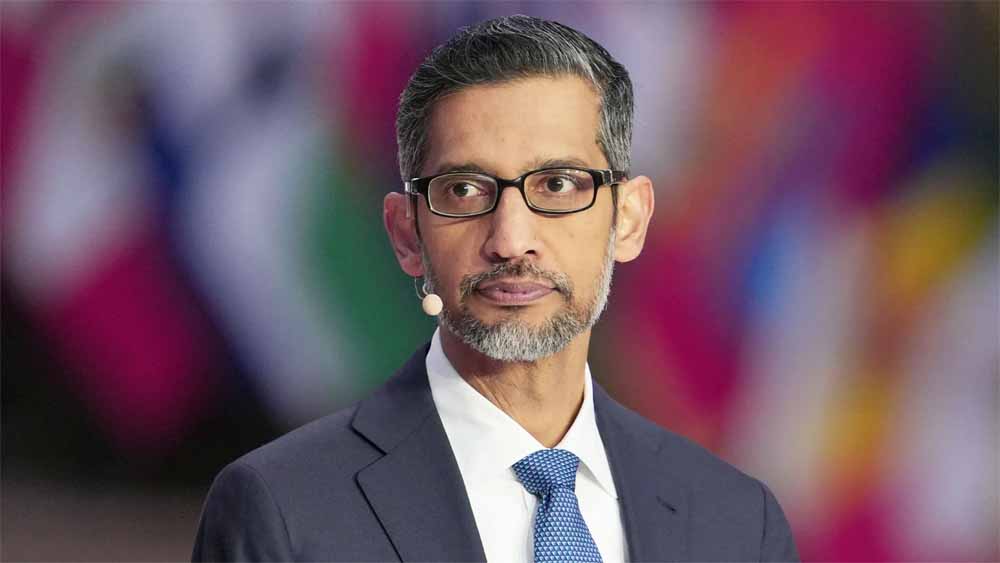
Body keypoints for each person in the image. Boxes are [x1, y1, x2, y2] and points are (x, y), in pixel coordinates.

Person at [192, 15, 799, 563]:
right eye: (465, 190)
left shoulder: (740, 523)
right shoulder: (282, 513)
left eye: (558, 185)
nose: (512, 240)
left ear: (630, 219)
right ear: (406, 233)